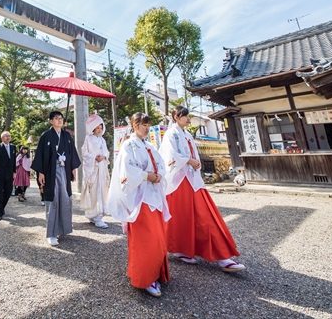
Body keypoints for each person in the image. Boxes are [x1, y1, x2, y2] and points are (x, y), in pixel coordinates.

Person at [159, 105, 245, 273]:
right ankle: (181, 249)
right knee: (182, 217)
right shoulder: (171, 134)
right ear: (176, 117)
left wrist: (194, 163)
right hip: (179, 180)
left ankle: (221, 256)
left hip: (192, 179)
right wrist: (189, 161)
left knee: (204, 216)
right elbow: (169, 155)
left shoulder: (187, 134)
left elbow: (193, 155)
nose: (188, 119)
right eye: (185, 116)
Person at [108, 112, 170, 298]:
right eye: (143, 124)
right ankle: (144, 277)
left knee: (158, 237)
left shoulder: (150, 145)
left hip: (154, 197)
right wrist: (146, 176)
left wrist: (159, 174)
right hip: (140, 199)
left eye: (148, 124)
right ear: (135, 125)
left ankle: (155, 272)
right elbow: (127, 170)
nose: (146, 128)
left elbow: (161, 164)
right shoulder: (129, 144)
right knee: (145, 238)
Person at [31, 111, 81, 246]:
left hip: (64, 170)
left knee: (64, 198)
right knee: (52, 200)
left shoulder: (67, 136)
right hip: (50, 172)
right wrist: (40, 172)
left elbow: (72, 153)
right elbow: (40, 155)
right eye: (56, 118)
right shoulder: (45, 136)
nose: (59, 120)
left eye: (61, 118)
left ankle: (62, 229)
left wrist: (73, 169)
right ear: (50, 121)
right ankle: (51, 233)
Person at [80, 113, 110, 229]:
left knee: (101, 191)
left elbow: (106, 152)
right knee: (93, 192)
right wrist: (94, 157)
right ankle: (92, 215)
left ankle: (98, 216)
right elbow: (85, 153)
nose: (99, 129)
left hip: (101, 169)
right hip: (93, 170)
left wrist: (103, 157)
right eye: (97, 127)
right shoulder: (88, 138)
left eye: (101, 127)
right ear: (92, 128)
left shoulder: (102, 140)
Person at [0, 131, 17, 221]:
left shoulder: (13, 147)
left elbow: (14, 161)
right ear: (2, 138)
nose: (8, 137)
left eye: (9, 136)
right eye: (6, 136)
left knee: (8, 192)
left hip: (10, 174)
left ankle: (1, 208)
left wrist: (14, 171)